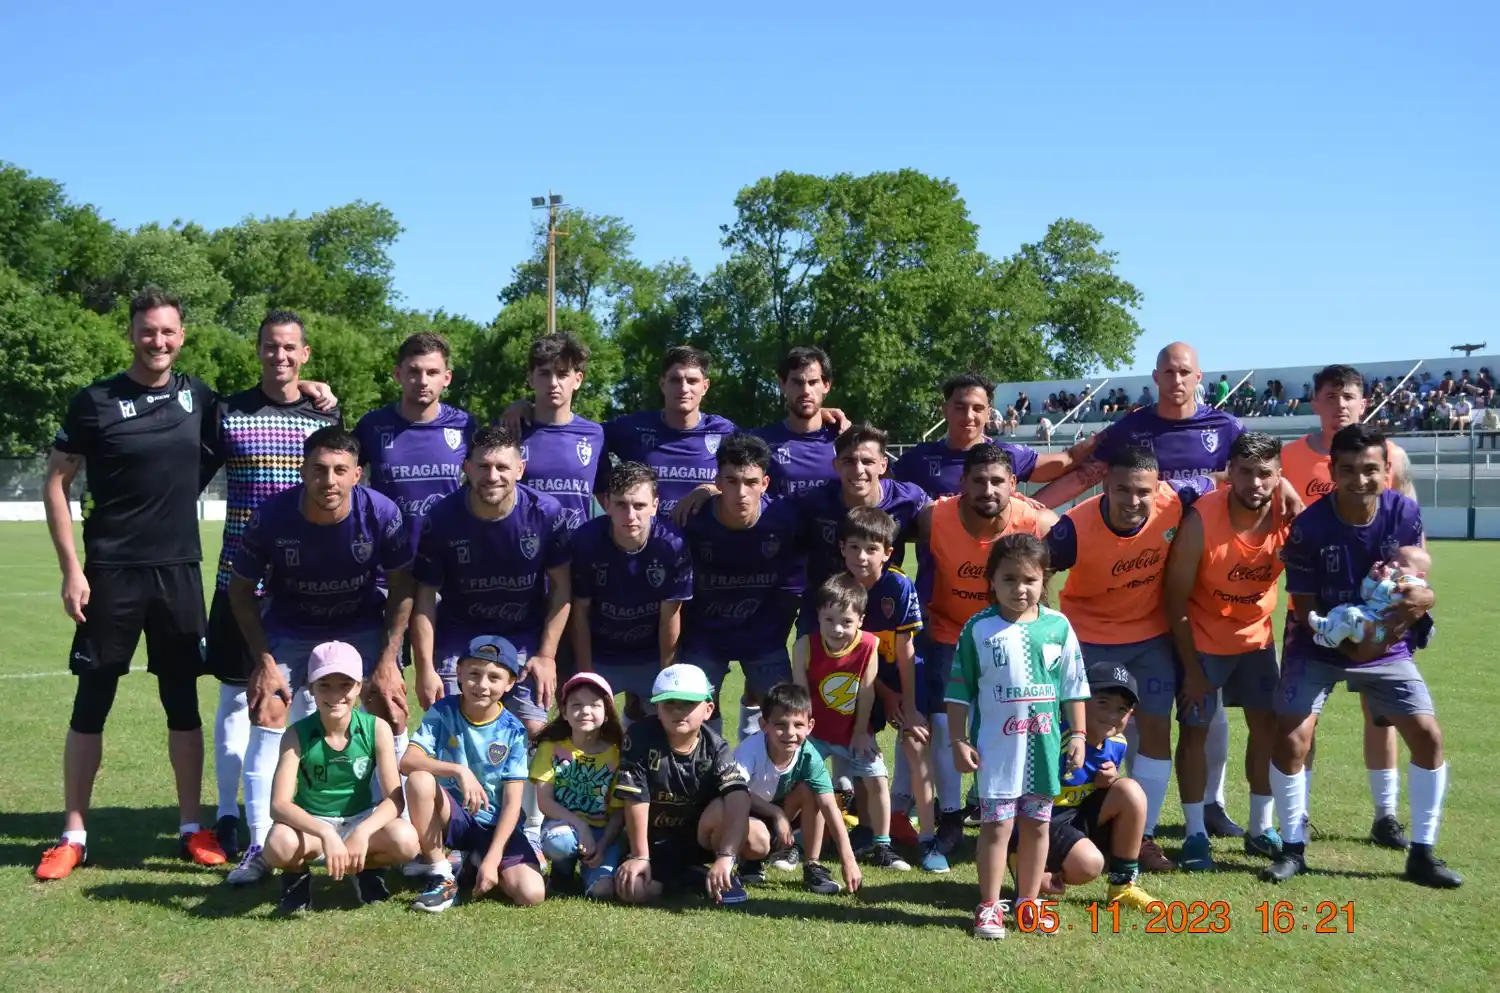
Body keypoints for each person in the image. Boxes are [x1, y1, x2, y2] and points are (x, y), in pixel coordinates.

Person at [35, 289, 263, 879]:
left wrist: (311, 389)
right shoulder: (95, 401)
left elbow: (255, 407)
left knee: (181, 702)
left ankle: (191, 827)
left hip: (178, 570)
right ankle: (73, 835)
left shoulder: (199, 397)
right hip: (110, 573)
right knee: (92, 700)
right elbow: (56, 481)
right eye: (147, 331)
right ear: (131, 334)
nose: (157, 341)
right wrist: (71, 569)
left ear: (181, 336)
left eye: (167, 331)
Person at [1034, 342, 1248, 842]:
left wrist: (1285, 491)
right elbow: (1082, 473)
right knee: (1089, 722)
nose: (1177, 379)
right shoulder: (1128, 434)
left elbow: (1247, 475)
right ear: (1155, 377)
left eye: (1185, 371)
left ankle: (1179, 818)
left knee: (1194, 714)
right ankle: (1071, 818)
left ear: (1200, 377)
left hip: (1184, 601)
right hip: (1104, 621)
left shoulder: (1222, 433)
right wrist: (1028, 505)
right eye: (1168, 371)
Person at [1263, 424, 1459, 889]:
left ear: (1387, 469)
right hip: (1318, 641)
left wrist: (1408, 614)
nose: (1360, 479)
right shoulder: (1309, 527)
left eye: (1370, 469)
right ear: (1332, 471)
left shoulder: (1404, 512)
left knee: (1428, 737)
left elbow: (1415, 586)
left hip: (1386, 644)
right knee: (1291, 739)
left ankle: (1422, 854)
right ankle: (1292, 848)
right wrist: (1353, 644)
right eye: (1348, 469)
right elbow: (1304, 606)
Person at [227, 426, 414, 885]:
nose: (329, 480)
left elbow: (403, 588)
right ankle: (260, 843)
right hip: (291, 625)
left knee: (389, 706)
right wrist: (264, 661)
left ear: (357, 474)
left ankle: (392, 830)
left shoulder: (381, 513)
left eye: (339, 470)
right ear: (302, 471)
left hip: (359, 622)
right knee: (270, 706)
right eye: (319, 469)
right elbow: (240, 590)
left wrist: (388, 661)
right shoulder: (272, 516)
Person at [200, 309, 341, 871]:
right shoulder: (227, 412)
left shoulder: (324, 414)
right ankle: (228, 813)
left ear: (304, 354)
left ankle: (290, 812)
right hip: (241, 577)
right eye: (269, 346)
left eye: (289, 348)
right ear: (257, 350)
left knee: (300, 700)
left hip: (308, 583)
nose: (279, 356)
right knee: (237, 696)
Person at [1044, 448, 1214, 871]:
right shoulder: (1073, 528)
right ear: (1105, 486)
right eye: (1122, 490)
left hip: (1150, 638)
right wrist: (1044, 626)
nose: (1133, 501)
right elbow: (1037, 567)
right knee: (1075, 734)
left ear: (1158, 489)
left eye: (1143, 492)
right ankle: (1057, 826)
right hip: (1089, 641)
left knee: (1156, 729)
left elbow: (1222, 481)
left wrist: (1285, 490)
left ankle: (1143, 837)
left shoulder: (1176, 499)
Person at [1279, 364, 1416, 849]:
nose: (1340, 404)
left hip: (1377, 611)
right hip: (1313, 608)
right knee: (1303, 719)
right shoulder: (1289, 456)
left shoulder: (1392, 454)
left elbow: (1410, 530)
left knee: (1381, 714)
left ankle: (1386, 816)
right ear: (1314, 402)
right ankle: (1298, 818)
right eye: (1331, 396)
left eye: (1349, 396)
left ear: (1363, 402)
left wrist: (1407, 588)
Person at [914, 445, 1057, 854]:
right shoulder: (934, 517)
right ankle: (950, 815)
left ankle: (1008, 808)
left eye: (997, 481)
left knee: (1012, 721)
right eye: (978, 480)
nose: (988, 489)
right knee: (946, 722)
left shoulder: (1037, 522)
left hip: (1011, 634)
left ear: (1014, 483)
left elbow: (1067, 553)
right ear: (962, 482)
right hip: (951, 633)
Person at [947, 534, 1089, 940]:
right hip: (996, 751)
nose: (1019, 589)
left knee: (1038, 827)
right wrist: (958, 740)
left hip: (1043, 749)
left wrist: (1078, 734)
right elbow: (958, 690)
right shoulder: (978, 628)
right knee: (997, 828)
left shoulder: (1059, 626)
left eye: (1029, 580)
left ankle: (1029, 902)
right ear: (992, 580)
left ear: (1044, 580)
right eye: (1009, 579)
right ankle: (989, 906)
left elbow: (1073, 686)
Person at [1162, 432, 1291, 870]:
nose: (1255, 483)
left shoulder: (1288, 515)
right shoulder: (1201, 520)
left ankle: (1260, 828)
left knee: (1267, 729)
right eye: (1246, 472)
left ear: (1278, 476)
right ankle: (1195, 834)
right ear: (1230, 473)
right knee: (1194, 732)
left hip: (1257, 641)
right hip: (1203, 641)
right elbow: (1174, 599)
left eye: (1265, 474)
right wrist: (1192, 669)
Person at [410, 425, 571, 733]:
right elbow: (425, 598)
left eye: (502, 467)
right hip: (459, 636)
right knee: (450, 730)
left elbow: (562, 589)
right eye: (483, 466)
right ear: (467, 468)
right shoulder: (442, 517)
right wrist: (425, 668)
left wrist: (547, 656)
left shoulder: (546, 513)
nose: (492, 476)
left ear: (520, 470)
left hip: (523, 635)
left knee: (533, 733)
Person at [263, 641, 420, 913]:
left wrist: (363, 832)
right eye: (324, 685)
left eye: (345, 685)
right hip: (313, 824)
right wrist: (324, 832)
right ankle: (296, 878)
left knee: (406, 841)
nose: (335, 695)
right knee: (278, 845)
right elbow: (279, 805)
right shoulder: (296, 734)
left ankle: (365, 870)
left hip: (360, 819)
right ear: (310, 687)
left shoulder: (376, 728)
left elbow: (395, 799)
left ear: (359, 687)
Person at [402, 636, 544, 913]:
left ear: (510, 683)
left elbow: (513, 803)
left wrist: (493, 860)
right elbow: (408, 762)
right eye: (474, 674)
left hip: (494, 825)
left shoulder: (514, 731)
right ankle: (441, 875)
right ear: (459, 673)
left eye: (494, 677)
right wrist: (459, 771)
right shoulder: (443, 711)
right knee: (420, 778)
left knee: (531, 893)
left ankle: (473, 861)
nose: (482, 685)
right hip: (453, 817)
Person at [832, 507, 938, 869]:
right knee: (861, 743)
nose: (862, 557)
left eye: (871, 549)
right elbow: (848, 653)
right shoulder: (840, 589)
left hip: (902, 676)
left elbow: (906, 651)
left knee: (916, 740)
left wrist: (908, 705)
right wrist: (886, 696)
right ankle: (867, 828)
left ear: (888, 552)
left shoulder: (898, 585)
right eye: (854, 547)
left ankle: (929, 838)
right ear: (842, 549)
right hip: (862, 678)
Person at [678, 433, 803, 739]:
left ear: (765, 483)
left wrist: (774, 636)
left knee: (786, 719)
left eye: (750, 482)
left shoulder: (784, 519)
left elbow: (792, 593)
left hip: (763, 639)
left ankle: (758, 766)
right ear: (718, 482)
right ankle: (710, 765)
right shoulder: (691, 520)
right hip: (704, 638)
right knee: (693, 713)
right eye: (732, 481)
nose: (741, 493)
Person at [613, 664, 761, 905]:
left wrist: (726, 856)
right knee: (633, 891)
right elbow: (635, 798)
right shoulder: (639, 737)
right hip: (655, 840)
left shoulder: (716, 746)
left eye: (688, 703)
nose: (678, 710)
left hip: (698, 837)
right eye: (669, 703)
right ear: (656, 708)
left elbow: (739, 796)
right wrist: (640, 855)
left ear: (708, 709)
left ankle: (721, 871)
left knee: (758, 838)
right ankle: (694, 877)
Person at [792, 574, 908, 871]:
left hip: (853, 730)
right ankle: (793, 843)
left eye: (846, 621)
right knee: (804, 782)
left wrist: (860, 732)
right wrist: (803, 738)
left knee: (877, 777)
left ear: (861, 620)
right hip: (815, 732)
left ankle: (883, 844)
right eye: (829, 620)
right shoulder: (804, 646)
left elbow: (867, 692)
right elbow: (801, 697)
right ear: (818, 615)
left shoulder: (868, 645)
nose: (837, 629)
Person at [569, 462, 693, 719]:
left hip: (649, 654)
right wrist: (586, 674)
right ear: (607, 504)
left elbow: (670, 616)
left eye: (639, 505)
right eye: (621, 505)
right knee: (585, 722)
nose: (630, 515)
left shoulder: (673, 545)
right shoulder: (585, 541)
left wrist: (666, 677)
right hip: (601, 653)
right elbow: (580, 612)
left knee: (661, 725)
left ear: (655, 505)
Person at [1033, 664, 1156, 910]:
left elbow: (1098, 791)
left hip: (1078, 816)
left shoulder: (1118, 742)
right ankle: (1027, 866)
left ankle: (1122, 886)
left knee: (1130, 791)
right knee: (1088, 866)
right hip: (1043, 821)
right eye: (1102, 703)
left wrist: (1109, 782)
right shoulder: (1056, 740)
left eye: (1122, 709)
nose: (1112, 715)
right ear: (1079, 703)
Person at [353, 333, 477, 558]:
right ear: (398, 374)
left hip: (447, 561)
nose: (423, 381)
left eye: (432, 372)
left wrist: (523, 406)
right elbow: (343, 479)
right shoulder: (372, 425)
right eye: (414, 372)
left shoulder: (465, 425)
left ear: (447, 378)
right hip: (387, 561)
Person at [732, 683, 863, 895]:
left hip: (784, 815)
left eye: (798, 725)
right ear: (764, 725)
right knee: (757, 840)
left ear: (810, 726)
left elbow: (830, 805)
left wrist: (848, 860)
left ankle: (812, 865)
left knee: (813, 791)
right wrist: (775, 813)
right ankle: (749, 860)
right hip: (749, 817)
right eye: (780, 725)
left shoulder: (809, 755)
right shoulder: (750, 750)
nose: (790, 733)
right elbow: (735, 791)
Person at [793, 423, 929, 625]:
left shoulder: (907, 498)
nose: (858, 470)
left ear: (883, 465)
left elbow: (942, 519)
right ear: (836, 465)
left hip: (882, 609)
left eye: (867, 461)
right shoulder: (813, 501)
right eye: (849, 461)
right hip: (823, 613)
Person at [892, 373, 1094, 502]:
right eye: (960, 407)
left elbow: (1068, 460)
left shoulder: (1006, 454)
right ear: (945, 410)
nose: (969, 416)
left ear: (988, 413)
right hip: (937, 561)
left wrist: (1112, 435)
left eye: (977, 408)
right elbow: (880, 491)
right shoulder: (920, 457)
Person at [600, 346, 737, 516]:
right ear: (663, 384)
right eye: (675, 380)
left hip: (705, 533)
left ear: (705, 386)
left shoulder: (725, 432)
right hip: (648, 533)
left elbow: (749, 484)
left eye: (692, 381)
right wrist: (605, 494)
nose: (684, 388)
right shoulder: (633, 428)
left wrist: (712, 490)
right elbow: (587, 438)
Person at [531, 672, 626, 900]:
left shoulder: (617, 755)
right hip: (564, 826)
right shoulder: (550, 747)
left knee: (603, 892)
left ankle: (590, 873)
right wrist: (580, 825)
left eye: (594, 705)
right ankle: (562, 874)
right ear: (564, 713)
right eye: (577, 705)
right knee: (560, 843)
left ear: (606, 714)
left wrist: (603, 844)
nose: (585, 711)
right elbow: (545, 802)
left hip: (603, 832)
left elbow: (619, 811)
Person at [516, 332, 606, 531]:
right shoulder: (511, 429)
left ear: (578, 380)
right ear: (531, 378)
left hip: (578, 547)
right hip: (525, 547)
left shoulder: (595, 435)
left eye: (562, 374)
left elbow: (609, 502)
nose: (553, 383)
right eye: (545, 373)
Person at [748, 346, 846, 499]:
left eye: (813, 382)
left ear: (826, 386)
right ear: (782, 385)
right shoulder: (759, 442)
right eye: (797, 382)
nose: (806, 391)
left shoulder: (845, 439)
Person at [1308, 546, 1431, 648]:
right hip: (1370, 615)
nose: (1394, 563)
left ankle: (1332, 639)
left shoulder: (1414, 586)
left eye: (1403, 564)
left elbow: (1393, 595)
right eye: (1394, 558)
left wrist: (1384, 581)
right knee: (1344, 608)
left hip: (1379, 630)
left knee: (1352, 614)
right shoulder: (1390, 579)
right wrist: (1371, 578)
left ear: (1420, 575)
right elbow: (1366, 596)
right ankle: (1326, 624)